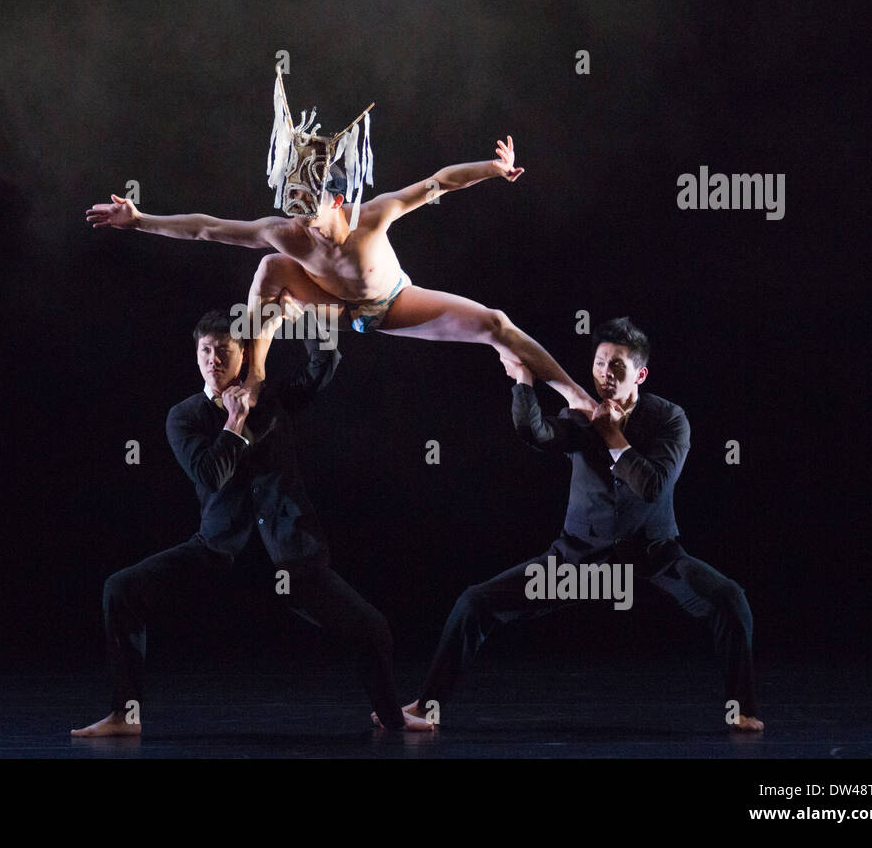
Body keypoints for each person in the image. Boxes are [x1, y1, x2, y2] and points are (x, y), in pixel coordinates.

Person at [86, 64, 594, 414]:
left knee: (495, 325)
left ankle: (574, 395)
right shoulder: (285, 233)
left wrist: (492, 168)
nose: (302, 225)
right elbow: (206, 228)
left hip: (392, 304)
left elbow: (438, 182)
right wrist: (140, 220)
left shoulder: (371, 217)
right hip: (329, 308)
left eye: (311, 213)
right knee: (269, 269)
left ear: (334, 201)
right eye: (296, 214)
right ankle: (257, 374)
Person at [72, 298, 432, 736]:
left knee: (372, 628)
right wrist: (234, 423)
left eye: (224, 349)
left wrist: (305, 319)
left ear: (245, 353)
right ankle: (123, 717)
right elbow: (211, 474)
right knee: (120, 590)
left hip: (289, 557)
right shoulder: (184, 417)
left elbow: (324, 365)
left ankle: (394, 718)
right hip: (218, 555)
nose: (213, 359)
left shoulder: (272, 399)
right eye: (205, 350)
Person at [397, 317, 764, 732]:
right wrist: (523, 383)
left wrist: (612, 437)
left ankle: (744, 711)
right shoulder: (580, 414)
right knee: (474, 603)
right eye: (600, 363)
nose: (605, 375)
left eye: (617, 367)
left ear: (640, 374)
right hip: (578, 559)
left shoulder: (669, 419)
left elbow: (652, 486)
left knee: (731, 600)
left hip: (654, 554)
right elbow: (536, 433)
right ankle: (426, 707)